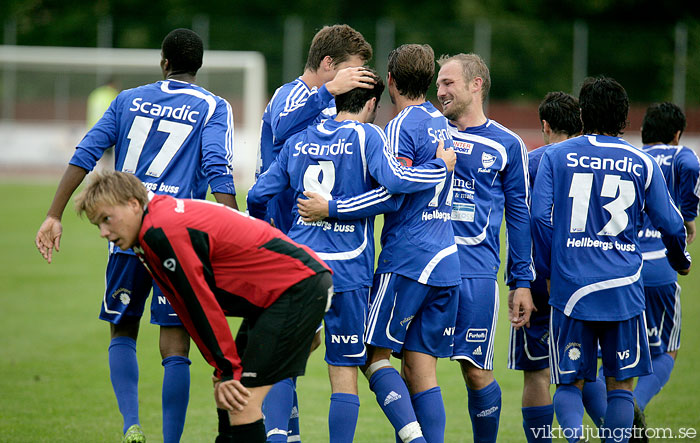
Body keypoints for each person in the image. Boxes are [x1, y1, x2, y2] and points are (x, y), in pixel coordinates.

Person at [35, 28, 237, 443]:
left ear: (164, 62)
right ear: (197, 66)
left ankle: (131, 424)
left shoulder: (128, 99)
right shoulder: (214, 106)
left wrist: (54, 214)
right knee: (175, 348)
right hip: (177, 236)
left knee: (122, 330)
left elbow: (87, 151)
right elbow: (218, 165)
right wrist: (234, 227)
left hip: (125, 230)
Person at [247, 71, 456, 443]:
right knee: (344, 372)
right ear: (372, 103)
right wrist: (440, 167)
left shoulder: (298, 140)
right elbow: (396, 184)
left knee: (282, 362)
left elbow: (259, 194)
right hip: (348, 272)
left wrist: (273, 237)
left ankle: (279, 437)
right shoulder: (368, 135)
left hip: (299, 268)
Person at [73, 170, 333, 443]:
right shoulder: (148, 234)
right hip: (285, 294)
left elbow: (201, 303)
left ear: (133, 205)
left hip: (297, 289)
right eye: (97, 225)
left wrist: (229, 368)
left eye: (106, 219)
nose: (103, 232)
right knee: (226, 387)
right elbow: (185, 307)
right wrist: (223, 368)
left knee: (240, 399)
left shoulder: (160, 230)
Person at [299, 43, 461, 443]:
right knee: (421, 369)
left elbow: (391, 193)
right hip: (446, 258)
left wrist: (331, 207)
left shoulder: (399, 128)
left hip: (409, 260)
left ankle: (415, 439)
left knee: (371, 357)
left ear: (389, 82)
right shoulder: (442, 123)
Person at [531, 77, 691, 443]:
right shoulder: (641, 162)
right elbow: (670, 222)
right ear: (625, 118)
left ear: (583, 113)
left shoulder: (557, 156)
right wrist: (679, 259)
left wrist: (550, 269)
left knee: (569, 381)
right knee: (620, 386)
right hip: (623, 289)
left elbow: (539, 217)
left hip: (570, 288)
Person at [256, 24, 375, 442]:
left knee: (302, 348)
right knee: (290, 352)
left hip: (315, 242)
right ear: (328, 65)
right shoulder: (295, 94)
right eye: (353, 71)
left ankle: (287, 435)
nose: (357, 80)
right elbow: (282, 130)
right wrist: (328, 92)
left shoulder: (329, 107)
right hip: (288, 240)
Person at [435, 53, 535, 443]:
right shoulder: (426, 131)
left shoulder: (507, 144)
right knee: (415, 368)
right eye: (439, 84)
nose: (440, 91)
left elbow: (520, 217)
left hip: (475, 272)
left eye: (449, 83)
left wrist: (521, 281)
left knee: (475, 369)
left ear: (476, 85)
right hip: (424, 266)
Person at [509, 91, 582, 442]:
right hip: (585, 279)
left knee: (536, 372)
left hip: (536, 278)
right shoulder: (590, 161)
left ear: (545, 125)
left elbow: (524, 218)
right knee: (581, 373)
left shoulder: (532, 162)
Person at [634, 102, 699, 412]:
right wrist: (688, 216)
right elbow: (691, 166)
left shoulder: (634, 157)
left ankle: (615, 409)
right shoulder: (680, 154)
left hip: (625, 265)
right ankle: (635, 403)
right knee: (667, 350)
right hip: (662, 263)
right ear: (677, 134)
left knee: (617, 351)